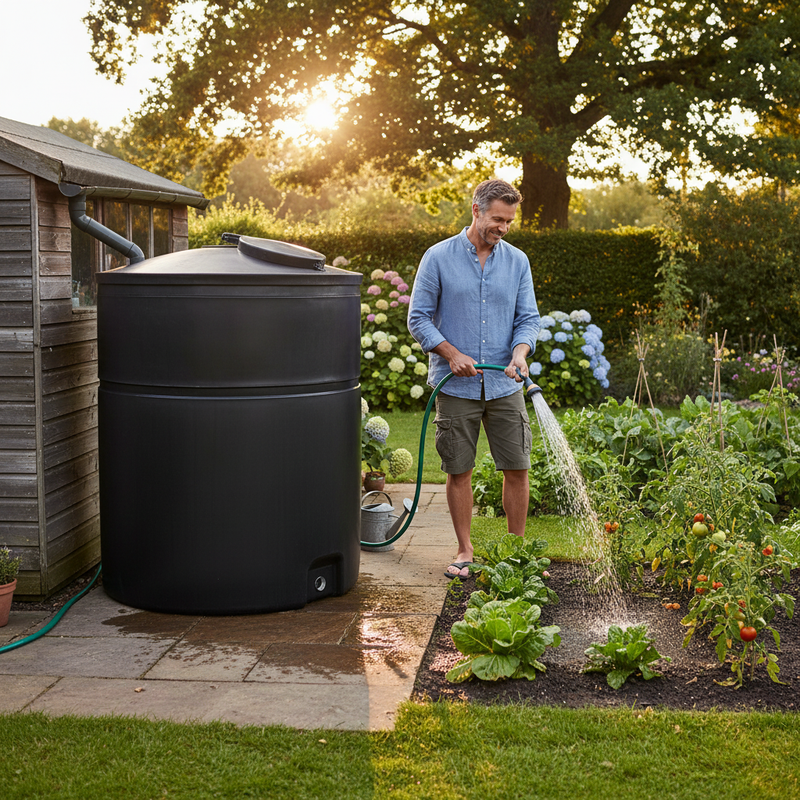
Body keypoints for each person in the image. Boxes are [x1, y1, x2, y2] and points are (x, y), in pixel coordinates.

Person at [407, 178, 540, 579]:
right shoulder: (438, 257)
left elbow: (528, 319)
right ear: (476, 210)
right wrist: (450, 353)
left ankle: (516, 552)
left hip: (505, 384)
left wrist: (520, 352)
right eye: (497, 218)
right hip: (456, 386)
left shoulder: (517, 261)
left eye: (509, 221)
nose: (503, 227)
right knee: (458, 469)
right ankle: (465, 550)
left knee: (517, 467)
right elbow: (418, 318)